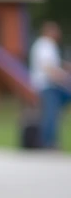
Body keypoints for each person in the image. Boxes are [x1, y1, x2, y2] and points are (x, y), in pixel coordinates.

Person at [29, 21, 70, 149]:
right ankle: (48, 143)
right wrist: (64, 78)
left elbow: (54, 64)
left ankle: (49, 141)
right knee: (50, 114)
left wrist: (64, 68)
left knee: (52, 112)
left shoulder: (48, 46)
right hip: (47, 85)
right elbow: (47, 67)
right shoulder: (44, 45)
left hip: (52, 85)